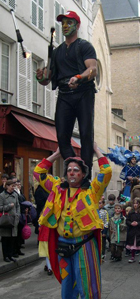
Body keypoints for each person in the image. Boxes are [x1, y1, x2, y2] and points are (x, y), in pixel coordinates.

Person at [33, 143, 112, 299]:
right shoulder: (58, 189)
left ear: (83, 174)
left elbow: (107, 171)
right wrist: (57, 154)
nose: (71, 173)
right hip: (63, 246)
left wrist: (95, 148)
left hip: (84, 246)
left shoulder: (92, 191)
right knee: (68, 286)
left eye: (76, 170)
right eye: (69, 170)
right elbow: (39, 172)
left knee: (88, 286)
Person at [36, 10, 97, 181]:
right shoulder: (57, 52)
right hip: (64, 94)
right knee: (62, 136)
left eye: (69, 22)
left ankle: (85, 175)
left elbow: (93, 69)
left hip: (83, 93)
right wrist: (40, 77)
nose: (64, 26)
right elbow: (47, 79)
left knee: (86, 134)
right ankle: (74, 166)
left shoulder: (85, 46)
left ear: (77, 26)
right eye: (63, 22)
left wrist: (79, 77)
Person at [0, 180, 20, 262]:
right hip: (6, 220)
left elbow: (18, 206)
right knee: (5, 239)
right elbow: (0, 207)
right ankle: (6, 256)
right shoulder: (2, 195)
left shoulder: (15, 195)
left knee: (12, 239)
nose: (13, 188)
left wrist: (18, 214)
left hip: (14, 220)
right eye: (12, 186)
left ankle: (10, 255)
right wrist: (9, 206)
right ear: (7, 186)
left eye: (14, 186)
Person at [126, 197, 140, 264]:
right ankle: (132, 256)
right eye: (134, 203)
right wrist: (131, 223)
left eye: (137, 203)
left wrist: (138, 223)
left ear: (139, 204)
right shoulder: (131, 212)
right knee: (133, 244)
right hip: (132, 230)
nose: (135, 205)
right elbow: (127, 220)